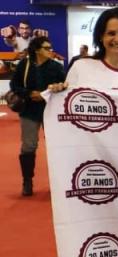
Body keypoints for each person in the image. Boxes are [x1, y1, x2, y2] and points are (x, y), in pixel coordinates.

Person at [49, 7, 118, 94]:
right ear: (101, 37)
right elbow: (67, 106)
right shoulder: (81, 67)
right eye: (111, 33)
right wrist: (58, 92)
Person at [10, 36, 64, 195]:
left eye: (50, 47)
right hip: (29, 111)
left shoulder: (56, 66)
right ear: (37, 50)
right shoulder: (24, 65)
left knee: (56, 146)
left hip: (52, 111)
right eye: (47, 48)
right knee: (28, 146)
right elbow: (14, 84)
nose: (50, 50)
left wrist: (54, 89)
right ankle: (27, 181)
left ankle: (58, 182)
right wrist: (28, 93)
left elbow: (65, 86)